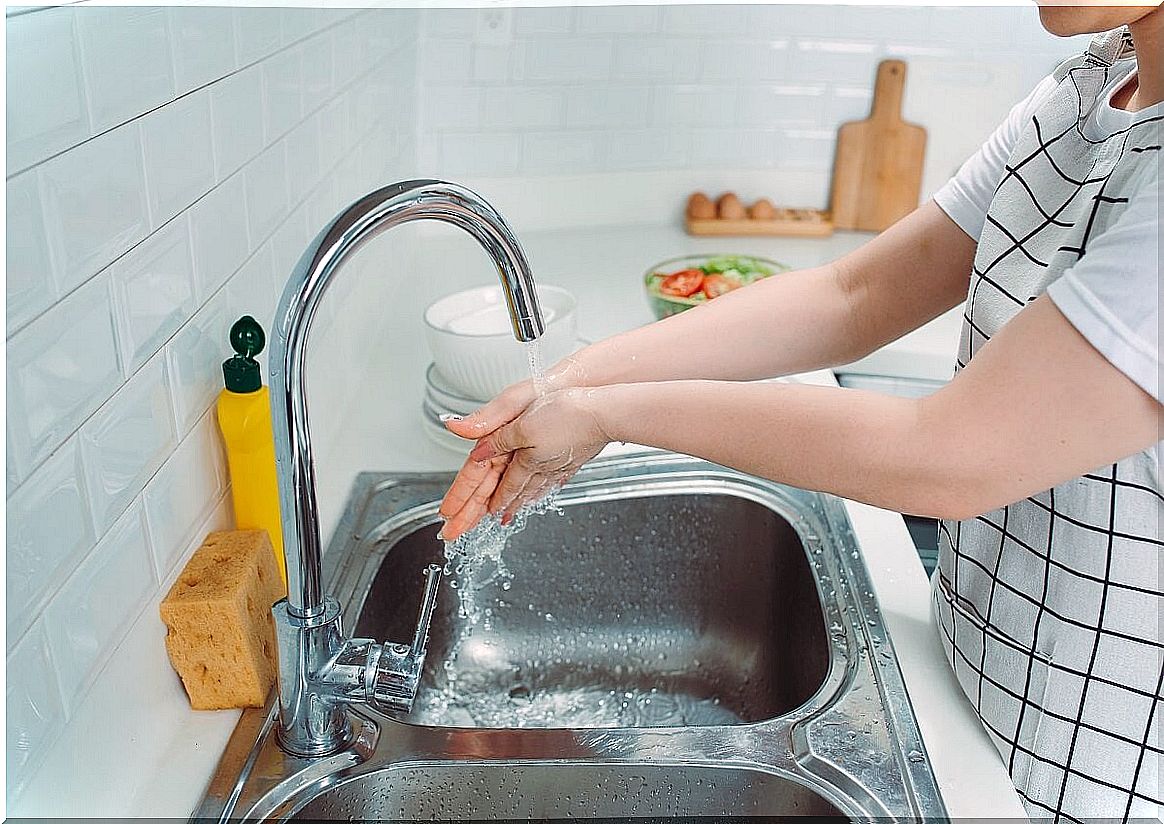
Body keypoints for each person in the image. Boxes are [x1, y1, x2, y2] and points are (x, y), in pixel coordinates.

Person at [438, 4, 1161, 821]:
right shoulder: (1093, 83)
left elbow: (952, 457)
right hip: (970, 702)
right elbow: (854, 296)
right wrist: (569, 383)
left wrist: (610, 415)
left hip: (1092, 777)